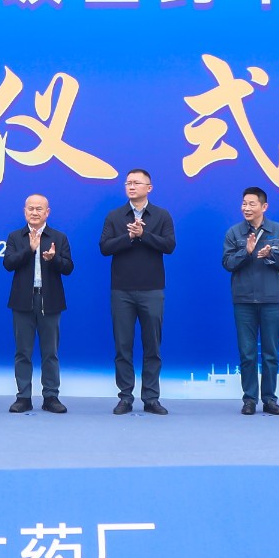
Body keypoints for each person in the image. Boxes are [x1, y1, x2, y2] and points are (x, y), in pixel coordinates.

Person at [100, 169, 176, 415]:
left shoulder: (161, 215)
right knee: (123, 346)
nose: (131, 186)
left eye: (136, 183)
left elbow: (169, 245)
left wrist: (144, 235)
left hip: (152, 289)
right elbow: (104, 247)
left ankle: (151, 398)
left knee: (152, 346)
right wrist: (129, 237)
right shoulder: (115, 216)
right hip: (121, 290)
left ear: (149, 188)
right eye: (128, 183)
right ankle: (125, 397)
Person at [222, 186, 279, 416]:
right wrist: (246, 251)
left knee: (271, 353)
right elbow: (227, 263)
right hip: (244, 300)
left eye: (251, 204)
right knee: (247, 353)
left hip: (272, 299)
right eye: (244, 203)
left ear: (264, 206)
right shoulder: (234, 232)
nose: (246, 208)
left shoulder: (278, 230)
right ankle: (249, 399)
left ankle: (270, 399)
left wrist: (271, 253)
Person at [2, 194, 74, 414]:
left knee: (50, 352)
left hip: (50, 300)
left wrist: (54, 259)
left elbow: (69, 268)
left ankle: (51, 396)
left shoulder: (58, 237)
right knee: (22, 352)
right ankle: (23, 397)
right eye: (30, 209)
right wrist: (29, 249)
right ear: (25, 211)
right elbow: (8, 263)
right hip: (23, 301)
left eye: (39, 209)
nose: (34, 212)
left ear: (47, 212)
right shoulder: (15, 236)